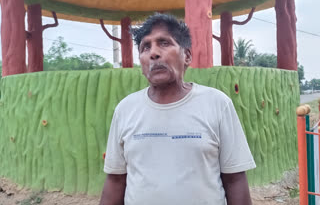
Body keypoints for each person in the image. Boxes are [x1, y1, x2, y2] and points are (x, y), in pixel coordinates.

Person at [100, 13, 256, 205]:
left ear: (187, 56)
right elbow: (116, 180)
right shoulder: (125, 109)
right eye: (145, 47)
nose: (153, 53)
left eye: (164, 43)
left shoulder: (217, 104)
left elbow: (235, 179)